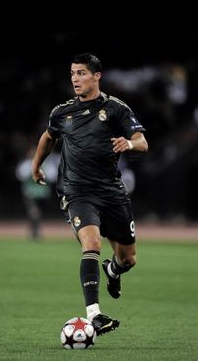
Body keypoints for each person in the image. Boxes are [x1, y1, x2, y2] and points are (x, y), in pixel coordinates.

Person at [32, 53, 148, 336]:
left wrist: (129, 145)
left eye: (82, 73)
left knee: (129, 258)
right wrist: (36, 166)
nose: (75, 79)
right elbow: (48, 137)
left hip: (111, 192)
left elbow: (142, 141)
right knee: (92, 243)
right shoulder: (62, 113)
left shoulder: (116, 109)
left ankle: (114, 271)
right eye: (72, 73)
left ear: (97, 76)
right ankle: (94, 314)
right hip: (76, 191)